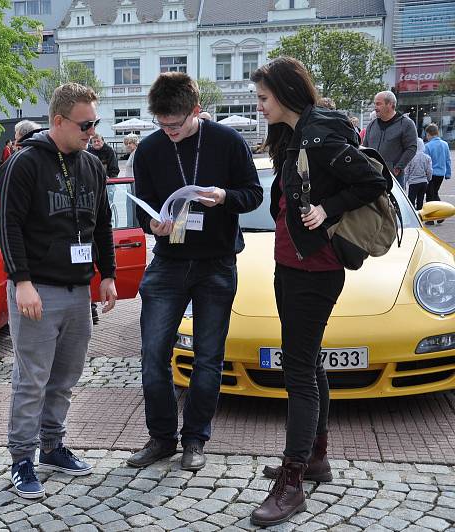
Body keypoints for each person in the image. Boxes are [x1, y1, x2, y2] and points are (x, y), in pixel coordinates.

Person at [248, 57, 387, 526]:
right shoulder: (293, 134)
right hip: (290, 264)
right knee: (308, 363)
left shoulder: (322, 133)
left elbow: (374, 180)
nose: (259, 105)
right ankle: (316, 458)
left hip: (316, 269)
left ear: (285, 93)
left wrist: (328, 208)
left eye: (263, 97)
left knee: (299, 374)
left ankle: (291, 483)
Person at [128, 71, 262, 471]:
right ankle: (162, 438)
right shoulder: (150, 149)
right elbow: (143, 203)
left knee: (208, 357)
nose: (168, 131)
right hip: (168, 261)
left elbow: (253, 193)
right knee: (153, 355)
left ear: (196, 112)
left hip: (216, 263)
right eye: (162, 124)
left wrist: (224, 197)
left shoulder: (227, 141)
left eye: (176, 124)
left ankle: (195, 440)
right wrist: (151, 223)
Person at [0, 82, 117, 499]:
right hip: (37, 290)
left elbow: (102, 223)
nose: (91, 131)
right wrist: (21, 280)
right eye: (85, 124)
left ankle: (52, 445)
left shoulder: (93, 165)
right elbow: (6, 227)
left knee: (66, 376)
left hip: (78, 290)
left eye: (95, 123)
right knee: (32, 378)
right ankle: (22, 459)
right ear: (58, 121)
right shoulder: (25, 163)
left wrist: (109, 274)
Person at [363, 90, 417, 189]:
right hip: (372, 177)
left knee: (394, 204)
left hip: (394, 178)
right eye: (375, 104)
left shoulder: (406, 124)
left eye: (378, 104)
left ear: (391, 104)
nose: (375, 107)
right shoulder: (371, 125)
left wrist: (398, 167)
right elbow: (365, 148)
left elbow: (411, 148)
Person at [424, 123, 453, 223]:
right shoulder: (445, 144)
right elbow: (448, 160)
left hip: (431, 174)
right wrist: (448, 173)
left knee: (430, 195)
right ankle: (440, 215)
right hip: (440, 174)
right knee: (434, 193)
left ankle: (433, 218)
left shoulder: (427, 146)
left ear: (428, 134)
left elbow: (426, 162)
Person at [405, 138, 433, 210]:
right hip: (423, 182)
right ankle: (420, 215)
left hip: (413, 182)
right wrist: (428, 179)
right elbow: (429, 170)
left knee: (411, 200)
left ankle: (412, 215)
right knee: (420, 200)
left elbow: (407, 171)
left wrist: (405, 182)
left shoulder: (410, 157)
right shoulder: (427, 157)